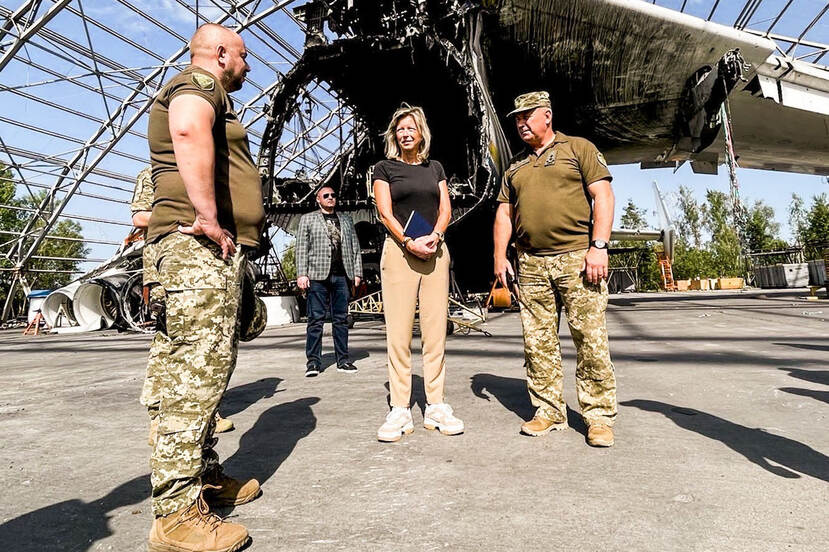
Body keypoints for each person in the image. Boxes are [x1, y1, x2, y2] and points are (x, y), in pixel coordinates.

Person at [143, 23, 264, 551]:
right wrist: (209, 217)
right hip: (196, 251)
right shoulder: (199, 84)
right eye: (243, 55)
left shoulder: (208, 91)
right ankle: (175, 516)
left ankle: (205, 475)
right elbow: (190, 129)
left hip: (205, 254)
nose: (249, 66)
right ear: (220, 54)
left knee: (203, 377)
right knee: (192, 383)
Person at [493, 91, 617, 447]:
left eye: (527, 116)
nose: (521, 123)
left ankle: (598, 417)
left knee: (590, 340)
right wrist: (500, 257)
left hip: (577, 259)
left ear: (546, 115)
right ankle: (548, 411)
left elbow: (602, 195)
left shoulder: (578, 148)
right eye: (516, 119)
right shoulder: (515, 166)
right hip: (530, 263)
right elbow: (504, 213)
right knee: (537, 343)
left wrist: (599, 246)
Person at [372, 104, 464, 442]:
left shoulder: (434, 167)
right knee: (398, 332)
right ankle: (399, 408)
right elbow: (384, 211)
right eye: (400, 129)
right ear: (394, 135)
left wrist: (436, 236)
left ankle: (436, 404)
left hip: (435, 252)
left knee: (435, 330)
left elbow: (445, 208)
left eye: (411, 128)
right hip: (400, 252)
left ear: (421, 132)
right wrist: (408, 240)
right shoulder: (384, 168)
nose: (405, 133)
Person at [131, 166, 236, 442]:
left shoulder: (200, 171)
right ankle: (159, 416)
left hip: (199, 265)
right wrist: (189, 217)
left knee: (200, 343)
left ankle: (206, 414)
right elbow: (139, 217)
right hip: (168, 267)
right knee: (171, 339)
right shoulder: (153, 174)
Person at [296, 186, 362, 377]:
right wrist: (302, 274)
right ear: (318, 199)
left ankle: (343, 360)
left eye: (333, 195)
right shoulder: (308, 219)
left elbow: (355, 247)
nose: (331, 198)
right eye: (326, 196)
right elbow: (302, 248)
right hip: (317, 276)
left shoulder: (347, 220)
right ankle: (314, 362)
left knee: (341, 320)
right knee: (315, 320)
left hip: (342, 275)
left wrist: (357, 272)